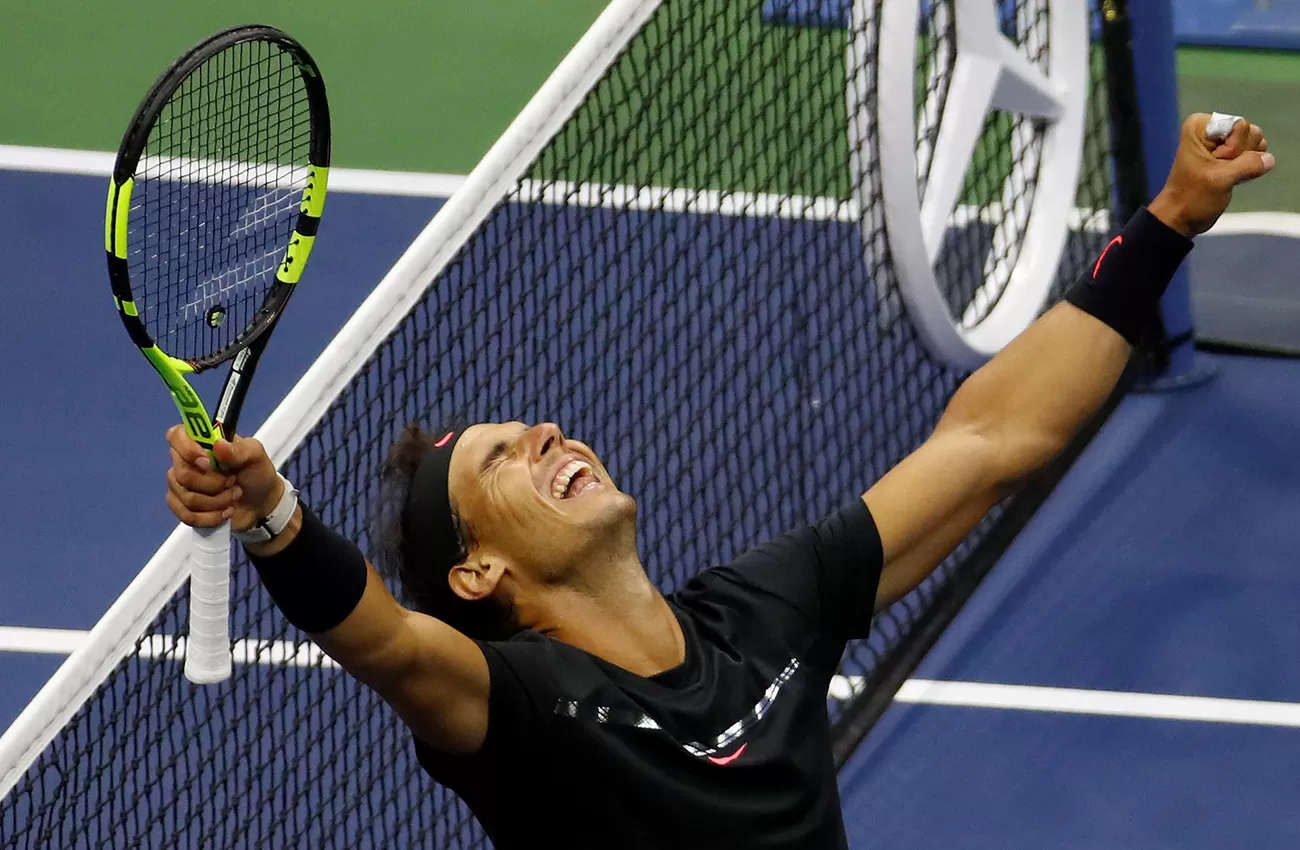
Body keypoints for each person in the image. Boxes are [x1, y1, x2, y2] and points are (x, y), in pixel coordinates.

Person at [165, 114, 1272, 848]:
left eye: (537, 427)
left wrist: (1167, 223)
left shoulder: (761, 611)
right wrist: (270, 513)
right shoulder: (521, 710)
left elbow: (990, 442)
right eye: (507, 456)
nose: (550, 433)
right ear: (479, 571)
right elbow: (386, 640)